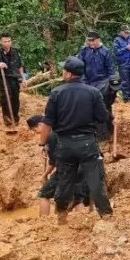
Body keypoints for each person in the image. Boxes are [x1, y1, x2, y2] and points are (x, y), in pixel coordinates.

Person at [39, 57, 113, 223]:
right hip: (87, 142)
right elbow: (103, 117)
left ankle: (61, 215)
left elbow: (47, 122)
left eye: (64, 70)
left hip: (64, 144)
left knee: (65, 179)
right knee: (95, 180)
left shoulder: (56, 93)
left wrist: (42, 144)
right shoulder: (93, 92)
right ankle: (106, 215)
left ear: (69, 73)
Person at [0, 32, 25, 127]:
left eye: (9, 41)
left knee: (15, 99)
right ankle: (7, 120)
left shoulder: (16, 52)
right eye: (5, 41)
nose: (7, 43)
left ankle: (15, 118)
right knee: (5, 99)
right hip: (4, 79)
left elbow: (20, 66)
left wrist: (23, 78)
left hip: (15, 79)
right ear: (1, 42)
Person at [26, 115, 57, 217]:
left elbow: (53, 162)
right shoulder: (57, 130)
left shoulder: (51, 136)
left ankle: (43, 222)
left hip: (66, 169)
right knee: (76, 197)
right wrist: (47, 147)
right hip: (78, 166)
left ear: (40, 125)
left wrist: (44, 175)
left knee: (44, 194)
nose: (37, 133)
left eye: (36, 130)